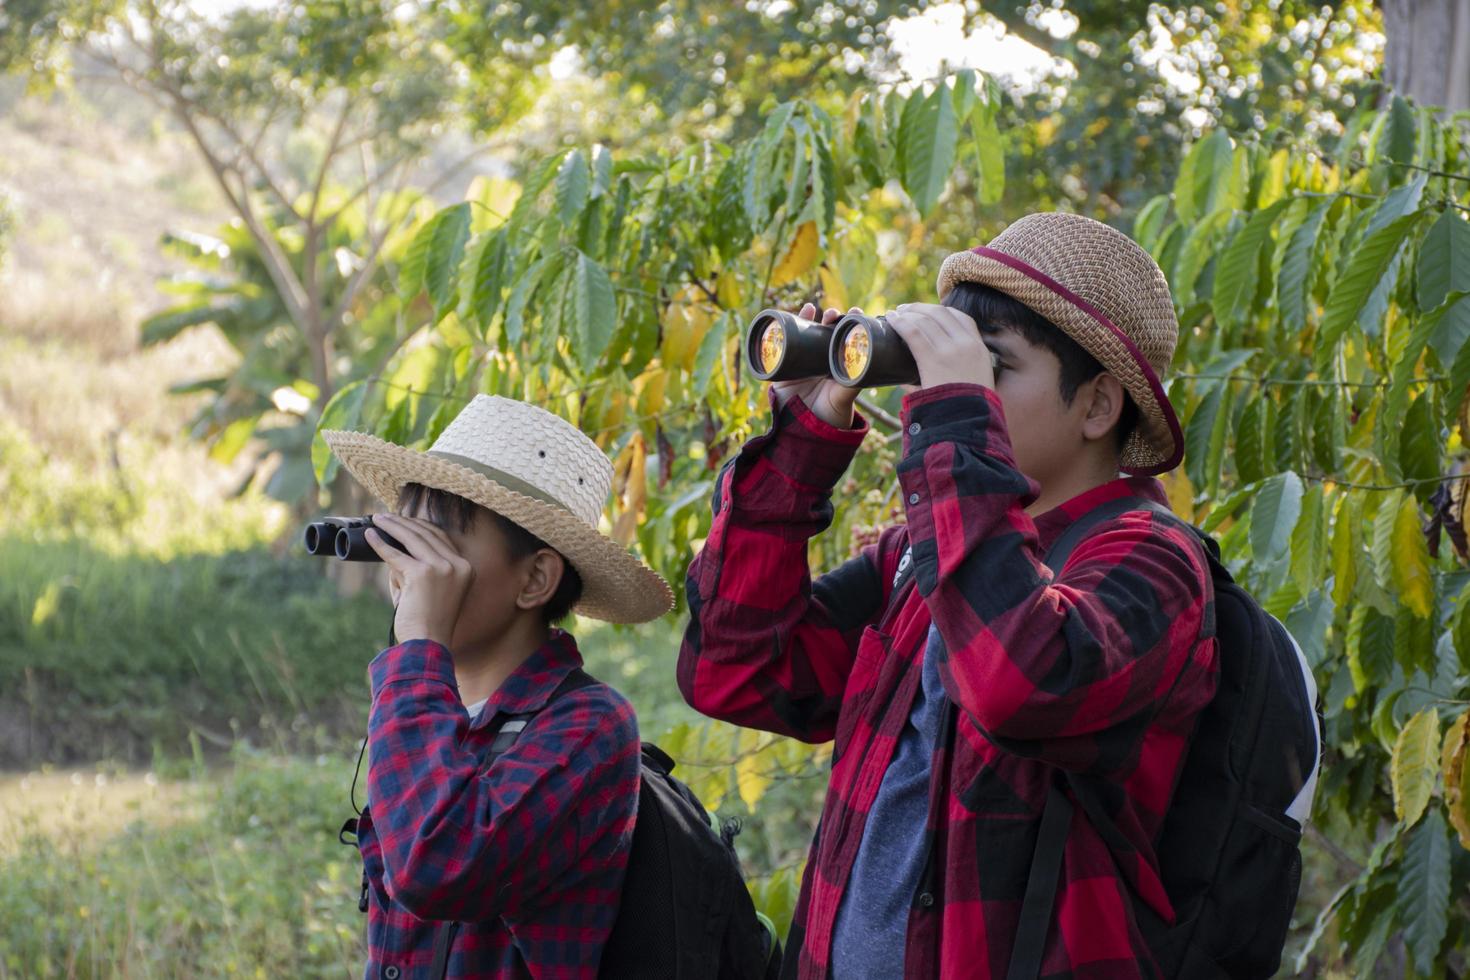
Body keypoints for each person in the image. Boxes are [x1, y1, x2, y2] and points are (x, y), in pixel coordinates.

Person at [678, 212, 1218, 979]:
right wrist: (803, 438)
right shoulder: (921, 558)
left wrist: (960, 423)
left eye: (991, 368)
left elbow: (1019, 684)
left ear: (1098, 406)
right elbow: (735, 671)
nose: (941, 392)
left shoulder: (1153, 562)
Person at [323, 394, 673, 978]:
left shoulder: (592, 727)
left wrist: (416, 650)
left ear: (535, 578)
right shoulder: (433, 701)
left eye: (440, 546)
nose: (412, 569)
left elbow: (435, 867)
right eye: (407, 539)